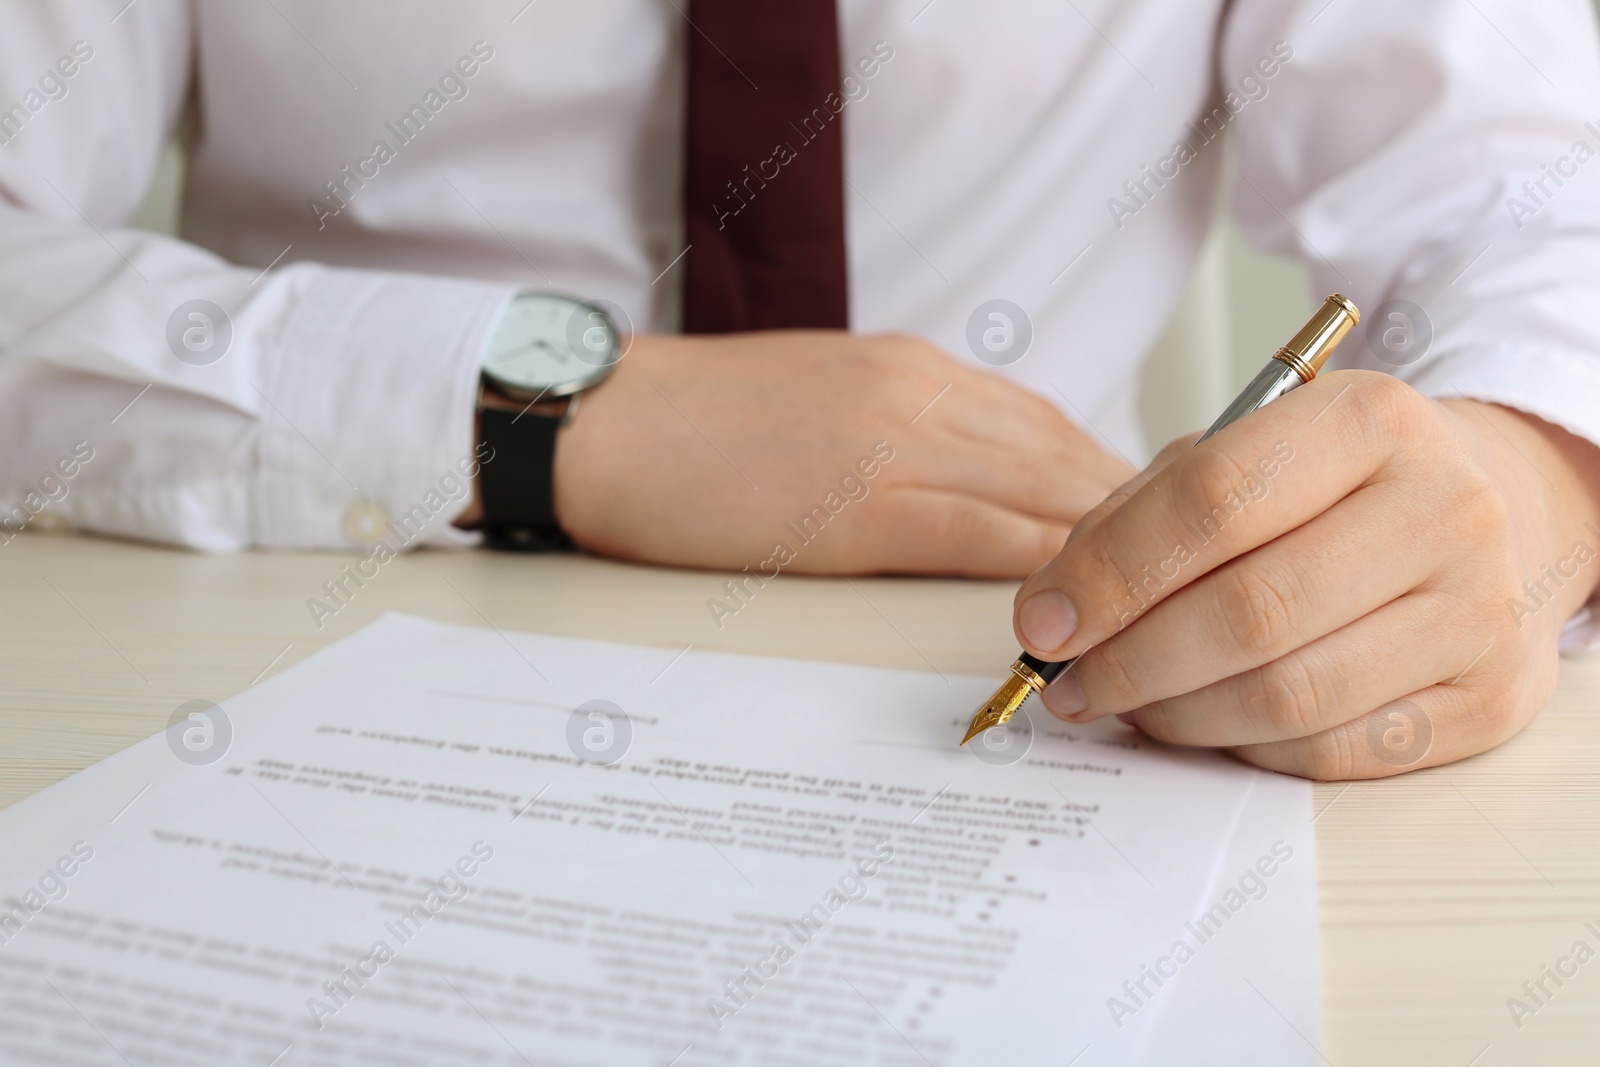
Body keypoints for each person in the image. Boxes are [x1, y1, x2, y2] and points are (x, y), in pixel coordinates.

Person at [1, 1, 1596, 780]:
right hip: (262, 623)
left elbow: (1533, 203)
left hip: (1031, 661)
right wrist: (538, 418)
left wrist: (1528, 472)